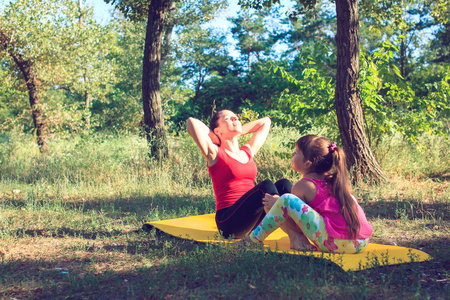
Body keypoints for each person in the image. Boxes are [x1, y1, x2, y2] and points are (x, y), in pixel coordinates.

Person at [235, 134, 373, 253]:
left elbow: (298, 227)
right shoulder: (335, 181)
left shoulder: (303, 185)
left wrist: (278, 205)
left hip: (337, 244)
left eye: (296, 152)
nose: (292, 154)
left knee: (285, 200)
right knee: (351, 198)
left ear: (308, 164)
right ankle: (294, 241)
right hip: (362, 243)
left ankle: (252, 240)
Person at [186, 110, 293, 239]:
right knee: (265, 186)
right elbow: (191, 123)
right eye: (228, 119)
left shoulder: (247, 152)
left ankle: (305, 228)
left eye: (236, 118)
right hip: (229, 224)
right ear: (217, 130)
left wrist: (237, 130)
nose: (235, 119)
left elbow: (266, 122)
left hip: (251, 220)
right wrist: (215, 137)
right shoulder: (215, 153)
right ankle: (294, 236)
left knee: (284, 185)